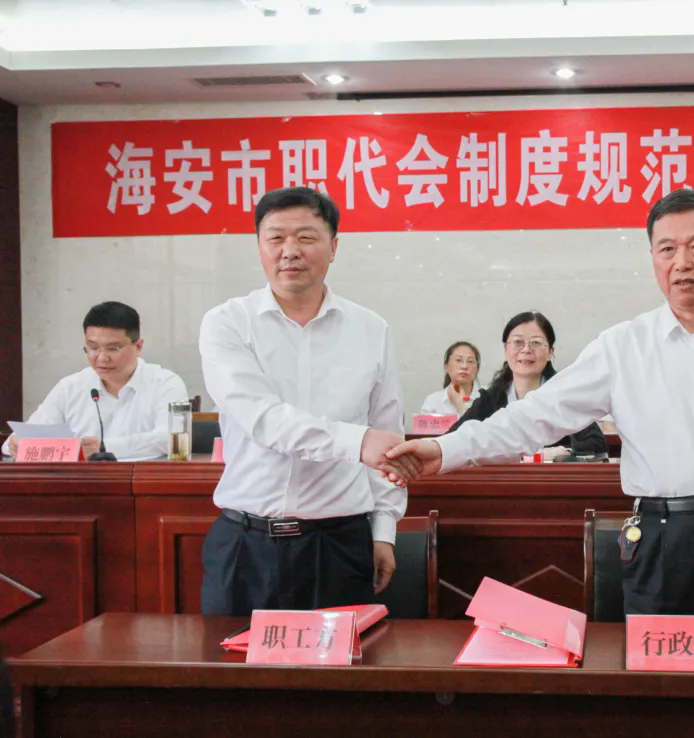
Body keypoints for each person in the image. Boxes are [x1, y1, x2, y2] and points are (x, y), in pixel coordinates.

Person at [387, 189, 694, 623]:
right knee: (662, 669)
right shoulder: (622, 347)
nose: (682, 262)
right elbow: (533, 416)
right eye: (667, 249)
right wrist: (445, 449)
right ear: (653, 258)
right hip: (665, 540)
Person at [197, 186, 417, 617]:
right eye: (276, 238)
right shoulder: (226, 323)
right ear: (259, 247)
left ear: (333, 247)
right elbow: (264, 420)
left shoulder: (370, 329)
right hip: (246, 546)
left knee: (340, 663)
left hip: (338, 546)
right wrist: (357, 442)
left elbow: (387, 433)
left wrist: (383, 529)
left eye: (306, 237)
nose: (290, 251)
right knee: (230, 661)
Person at [1, 301, 188, 461]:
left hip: (144, 483)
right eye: (93, 348)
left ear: (138, 346)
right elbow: (22, 437)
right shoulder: (70, 387)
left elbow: (171, 439)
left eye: (113, 349)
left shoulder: (165, 384)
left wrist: (104, 447)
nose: (101, 358)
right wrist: (16, 444)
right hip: (80, 484)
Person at [448, 312, 608, 458]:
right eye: (518, 342)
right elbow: (452, 440)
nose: (526, 350)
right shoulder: (491, 399)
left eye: (536, 343)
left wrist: (559, 454)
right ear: (506, 349)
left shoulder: (563, 395)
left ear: (550, 352)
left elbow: (596, 445)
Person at [419, 341, 481, 416]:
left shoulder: (489, 398)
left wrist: (460, 406)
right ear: (446, 366)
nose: (464, 366)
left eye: (470, 361)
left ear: (477, 368)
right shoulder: (433, 402)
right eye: (458, 360)